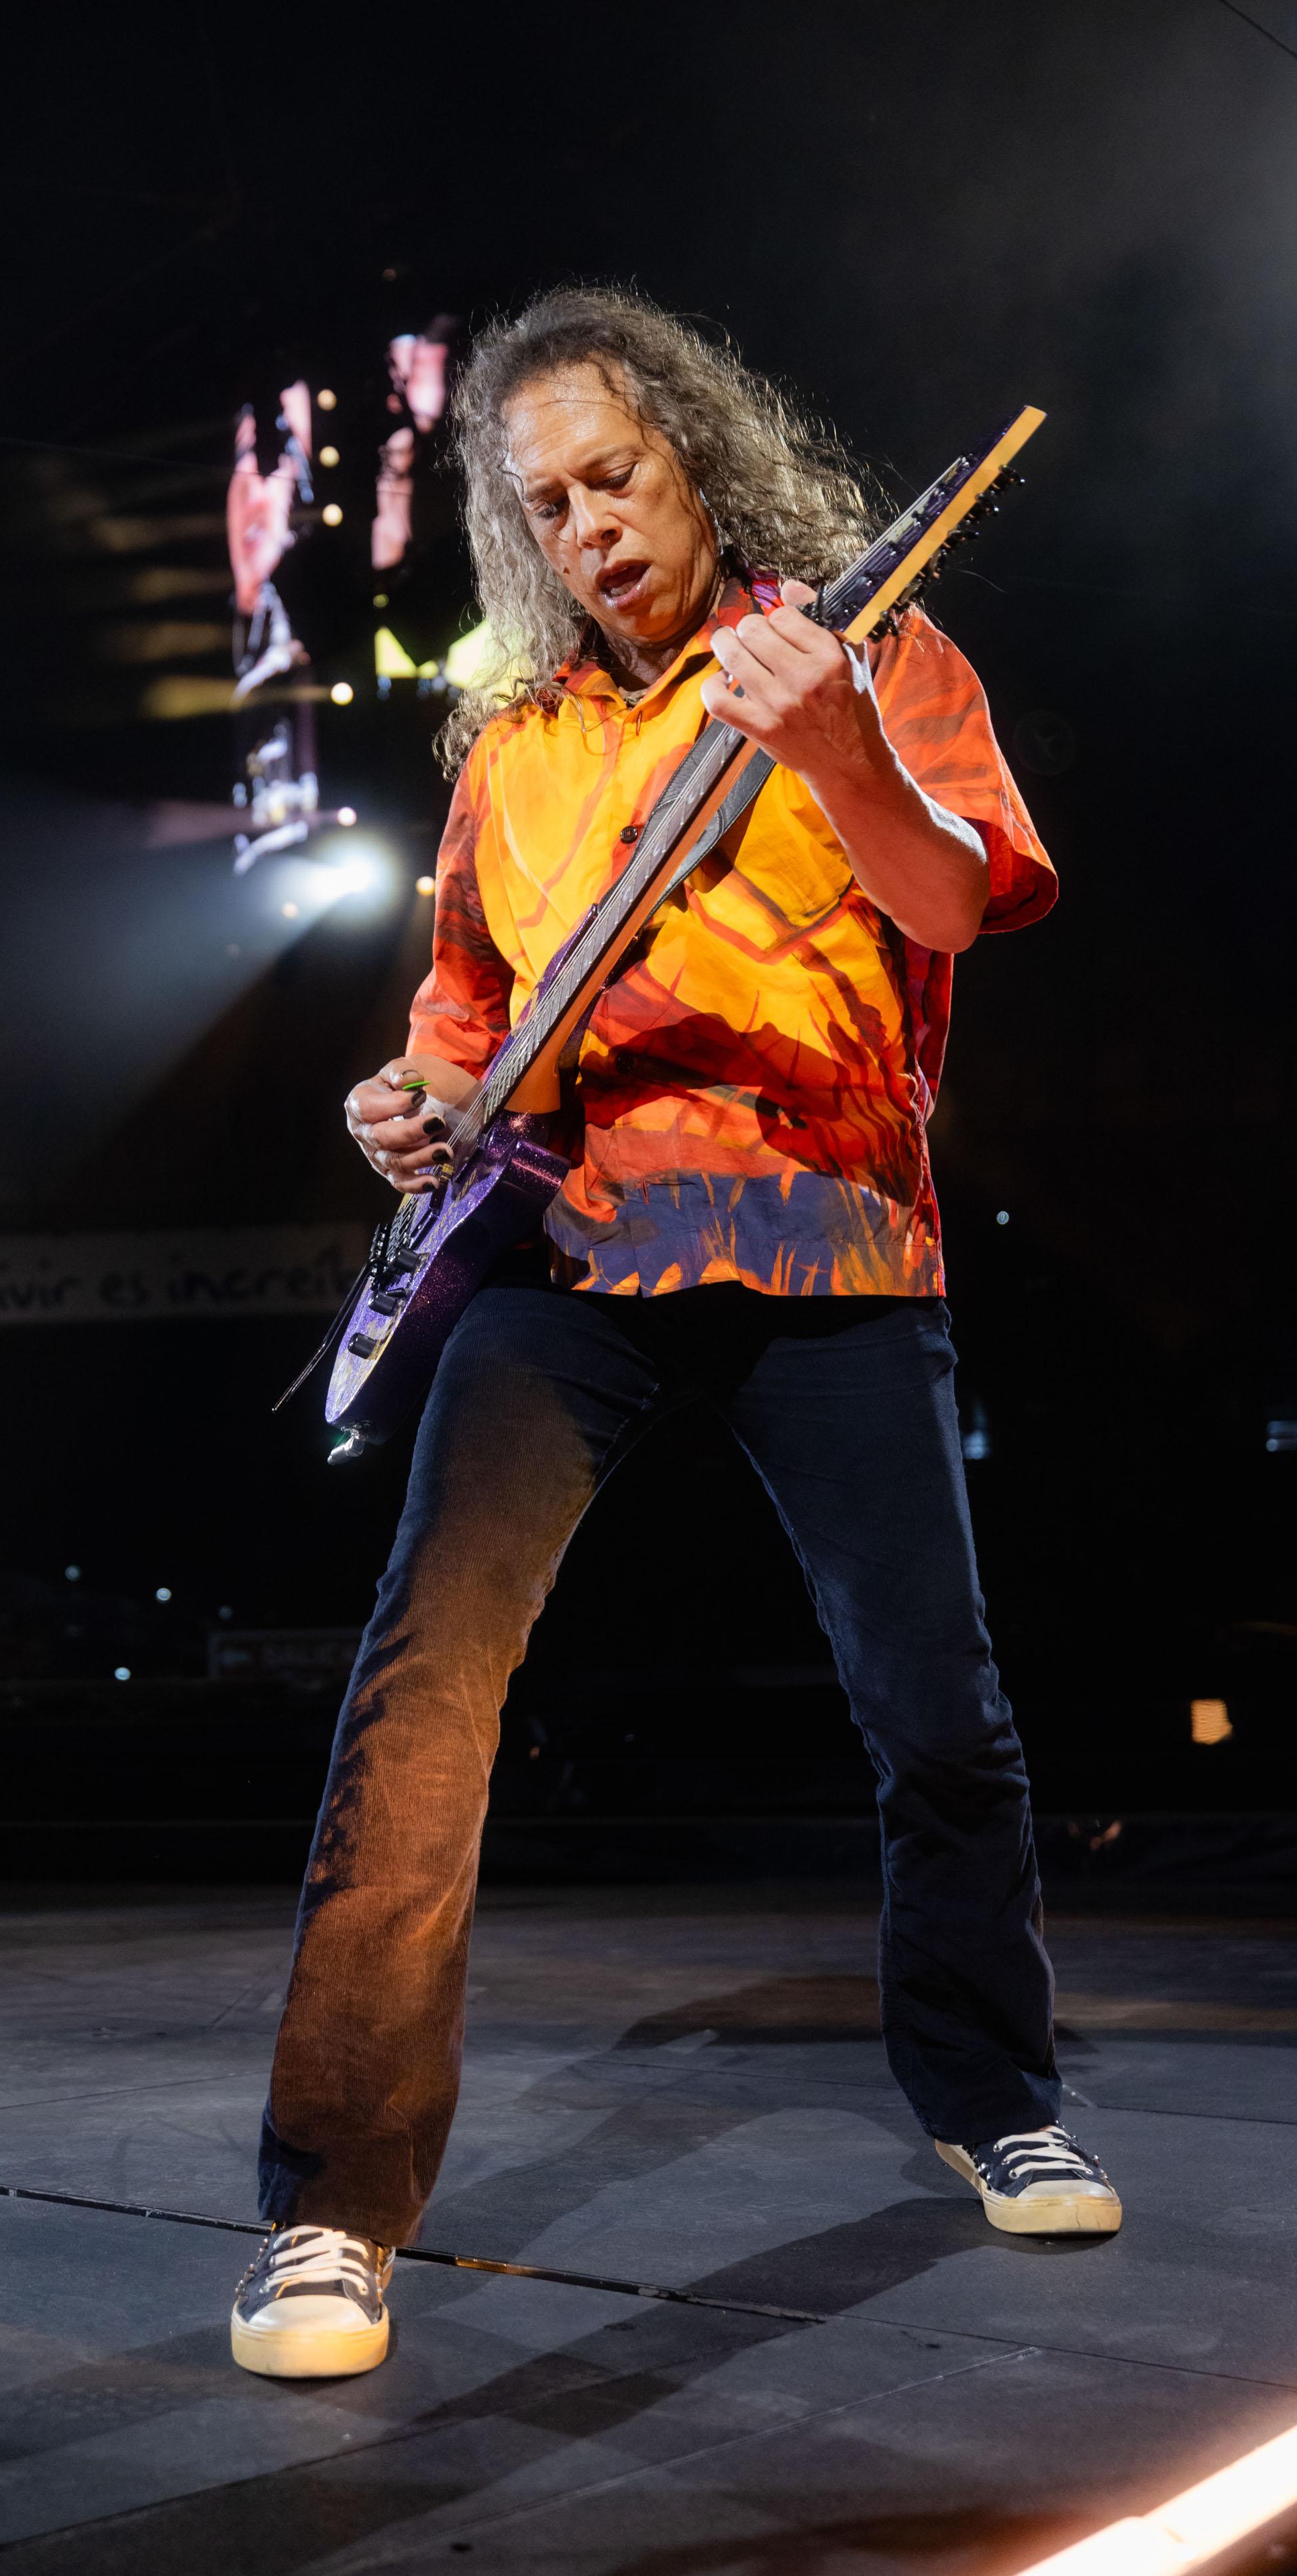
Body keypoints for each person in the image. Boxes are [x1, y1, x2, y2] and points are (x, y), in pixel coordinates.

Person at [231, 288, 1120, 2383]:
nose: (589, 528)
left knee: (937, 1717)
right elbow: (464, 1027)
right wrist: (405, 1106)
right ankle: (332, 2207)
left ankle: (991, 2094)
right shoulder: (517, 750)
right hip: (568, 1258)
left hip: (833, 1248)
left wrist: (834, 745)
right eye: (544, 504)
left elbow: (950, 903)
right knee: (418, 1701)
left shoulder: (874, 654)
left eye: (614, 477)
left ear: (698, 458)